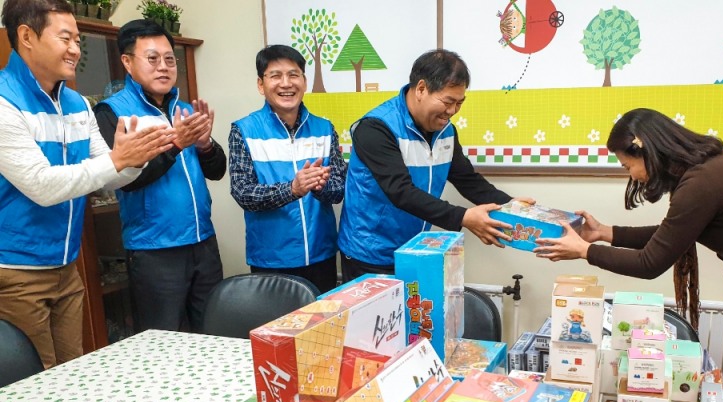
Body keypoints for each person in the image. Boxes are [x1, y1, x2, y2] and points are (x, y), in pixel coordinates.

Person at [534, 107, 723, 402]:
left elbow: (650, 263)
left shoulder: (703, 182)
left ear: (644, 148)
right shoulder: (708, 172)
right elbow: (670, 233)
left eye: (627, 165)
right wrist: (604, 233)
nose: (632, 175)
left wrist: (585, 252)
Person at [0, 0, 174, 368]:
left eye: (78, 39)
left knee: (72, 372)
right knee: (33, 385)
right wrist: (118, 160)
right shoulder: (4, 103)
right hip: (17, 270)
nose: (76, 49)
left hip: (68, 266)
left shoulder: (77, 102)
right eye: (66, 38)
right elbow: (42, 185)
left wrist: (136, 157)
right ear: (27, 36)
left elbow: (111, 170)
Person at [337, 48, 532, 282]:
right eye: (448, 101)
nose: (452, 112)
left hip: (416, 250)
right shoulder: (376, 128)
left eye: (459, 103)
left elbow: (467, 179)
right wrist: (463, 217)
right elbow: (401, 192)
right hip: (370, 254)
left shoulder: (445, 131)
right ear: (421, 89)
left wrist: (511, 206)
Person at [94, 19, 227, 333]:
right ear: (127, 62)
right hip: (154, 250)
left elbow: (217, 171)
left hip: (202, 242)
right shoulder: (112, 113)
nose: (164, 67)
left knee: (213, 332)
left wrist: (205, 144)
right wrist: (177, 143)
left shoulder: (183, 108)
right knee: (164, 340)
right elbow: (127, 178)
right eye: (152, 59)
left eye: (170, 59)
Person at [228, 44, 345, 293]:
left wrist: (320, 187)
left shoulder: (324, 128)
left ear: (304, 81)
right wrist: (292, 189)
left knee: (320, 330)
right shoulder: (244, 130)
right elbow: (243, 193)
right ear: (261, 85)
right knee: (277, 331)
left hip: (321, 255)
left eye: (293, 75)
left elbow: (339, 191)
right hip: (270, 259)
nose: (286, 83)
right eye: (275, 76)